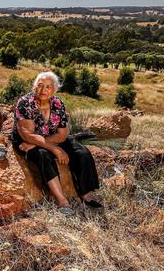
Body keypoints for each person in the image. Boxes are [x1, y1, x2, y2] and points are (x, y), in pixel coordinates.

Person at [11, 71, 102, 216]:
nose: (43, 90)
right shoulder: (25, 103)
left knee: (82, 152)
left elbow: (62, 134)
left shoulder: (58, 104)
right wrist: (54, 149)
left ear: (54, 90)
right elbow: (28, 135)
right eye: (40, 85)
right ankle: (62, 201)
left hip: (49, 138)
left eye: (48, 87)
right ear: (34, 86)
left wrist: (40, 143)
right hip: (25, 141)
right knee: (43, 155)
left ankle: (85, 193)